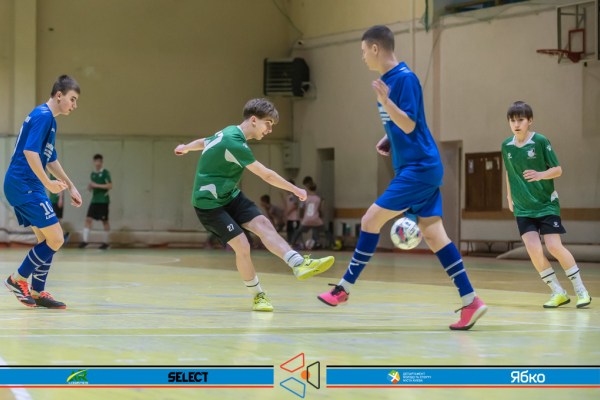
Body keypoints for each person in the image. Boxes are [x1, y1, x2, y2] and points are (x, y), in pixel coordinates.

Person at [317, 25, 487, 330]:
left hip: (418, 167)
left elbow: (409, 123)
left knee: (370, 220)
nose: (362, 57)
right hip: (418, 166)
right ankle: (470, 301)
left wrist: (386, 104)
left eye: (363, 51)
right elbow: (406, 124)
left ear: (375, 49)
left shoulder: (404, 79)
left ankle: (343, 289)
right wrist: (389, 138)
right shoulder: (388, 81)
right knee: (434, 235)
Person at [174, 98, 335, 312]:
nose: (269, 129)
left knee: (264, 224)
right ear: (253, 120)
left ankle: (298, 264)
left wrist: (186, 148)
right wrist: (295, 189)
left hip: (230, 196)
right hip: (209, 204)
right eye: (267, 123)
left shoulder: (230, 131)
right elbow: (267, 175)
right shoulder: (235, 143)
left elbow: (206, 141)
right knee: (242, 245)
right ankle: (258, 295)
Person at [3, 75, 82, 309]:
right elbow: (30, 152)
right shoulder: (43, 115)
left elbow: (50, 158)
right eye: (72, 99)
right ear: (59, 95)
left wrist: (71, 185)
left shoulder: (50, 121)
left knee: (47, 240)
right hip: (23, 183)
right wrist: (48, 183)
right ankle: (16, 280)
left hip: (29, 184)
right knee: (56, 238)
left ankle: (38, 292)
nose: (74, 105)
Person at [503, 101, 591, 308]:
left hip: (545, 205)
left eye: (521, 120)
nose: (516, 124)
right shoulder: (506, 146)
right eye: (512, 120)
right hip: (523, 207)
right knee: (533, 249)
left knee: (553, 246)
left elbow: (558, 169)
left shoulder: (541, 141)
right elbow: (509, 173)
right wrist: (509, 197)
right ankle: (558, 292)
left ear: (530, 121)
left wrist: (540, 174)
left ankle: (581, 290)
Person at [79, 154, 112, 249]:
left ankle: (106, 243)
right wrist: (90, 186)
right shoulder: (93, 174)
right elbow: (90, 187)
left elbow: (110, 186)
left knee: (105, 221)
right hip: (94, 200)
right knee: (88, 219)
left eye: (99, 161)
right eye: (96, 161)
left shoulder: (105, 172)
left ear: (102, 162)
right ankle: (85, 241)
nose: (98, 163)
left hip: (103, 200)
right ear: (94, 162)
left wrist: (97, 185)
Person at [290, 181, 324, 249]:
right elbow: (321, 209)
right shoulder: (318, 198)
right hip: (315, 218)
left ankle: (291, 244)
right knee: (321, 230)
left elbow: (301, 208)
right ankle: (318, 243)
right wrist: (321, 215)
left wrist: (301, 217)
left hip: (307, 218)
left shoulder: (306, 198)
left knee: (298, 231)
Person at [48, 172, 70, 243]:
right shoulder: (50, 174)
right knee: (54, 220)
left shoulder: (57, 173)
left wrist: (60, 199)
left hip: (57, 201)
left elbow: (61, 186)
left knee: (57, 220)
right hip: (52, 200)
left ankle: (62, 235)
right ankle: (63, 234)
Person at [280, 179, 301, 245]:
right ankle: (290, 244)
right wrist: (282, 198)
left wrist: (289, 211)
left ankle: (296, 244)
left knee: (295, 232)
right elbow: (286, 206)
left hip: (294, 218)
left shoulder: (294, 195)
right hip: (289, 218)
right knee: (289, 232)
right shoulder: (288, 196)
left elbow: (296, 205)